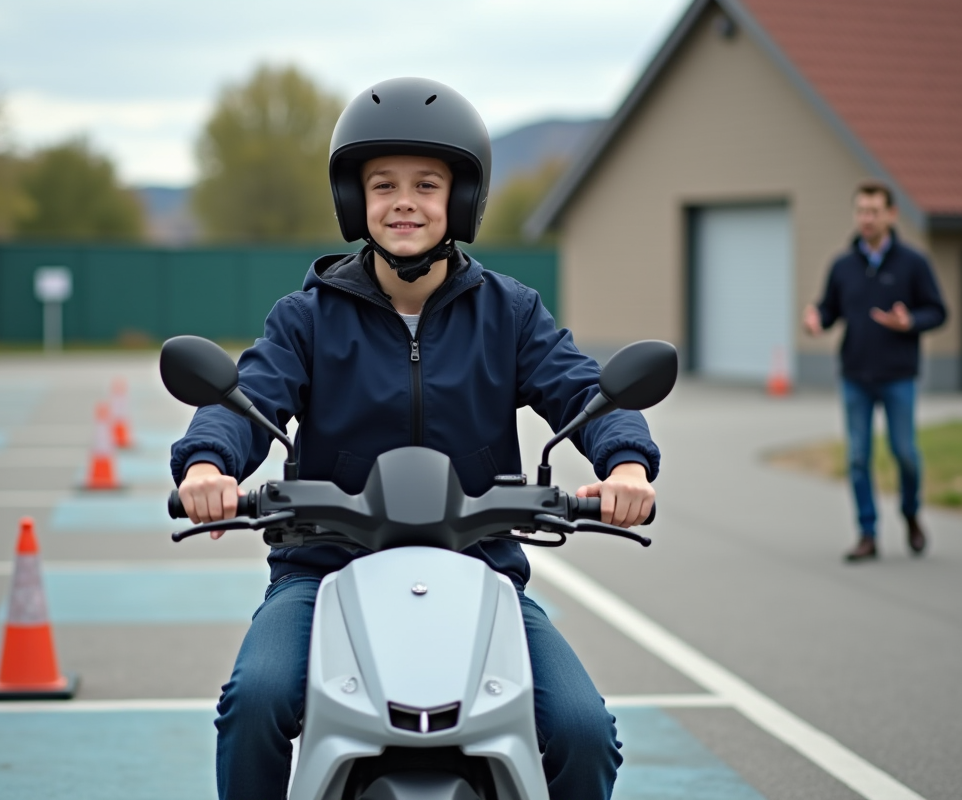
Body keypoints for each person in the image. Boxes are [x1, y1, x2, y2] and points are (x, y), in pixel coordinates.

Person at [171, 77, 660, 800]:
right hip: (323, 570)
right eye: (383, 185)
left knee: (584, 730)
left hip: (480, 568)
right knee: (255, 701)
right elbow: (248, 398)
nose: (405, 201)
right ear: (353, 200)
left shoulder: (510, 313)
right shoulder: (307, 317)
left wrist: (626, 465)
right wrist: (208, 464)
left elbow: (584, 390)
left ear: (462, 199)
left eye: (427, 184)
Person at [803, 180, 947, 562]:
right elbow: (830, 309)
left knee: (905, 453)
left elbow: (938, 311)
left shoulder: (913, 263)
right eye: (861, 211)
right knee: (857, 458)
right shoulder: (842, 265)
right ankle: (867, 533)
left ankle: (910, 513)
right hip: (855, 377)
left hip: (898, 376)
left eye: (874, 211)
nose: (866, 219)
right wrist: (817, 319)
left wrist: (910, 321)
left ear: (891, 215)